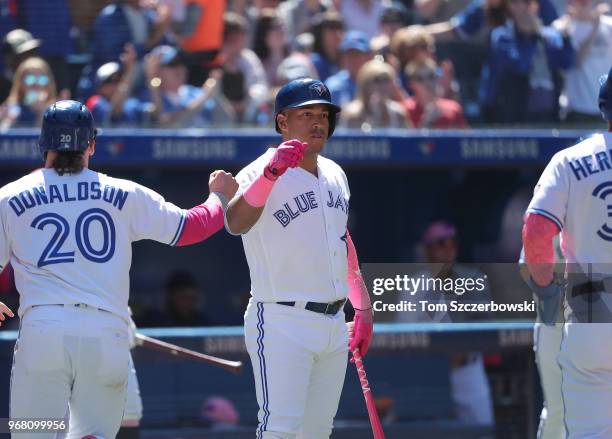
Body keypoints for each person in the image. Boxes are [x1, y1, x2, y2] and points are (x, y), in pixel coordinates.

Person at [0, 100, 238, 438]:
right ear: (92, 145)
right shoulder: (123, 192)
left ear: (43, 145)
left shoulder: (10, 196)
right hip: (106, 331)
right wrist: (218, 197)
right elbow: (189, 229)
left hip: (43, 330)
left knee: (33, 432)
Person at [225, 78, 374, 438]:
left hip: (334, 321)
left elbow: (342, 240)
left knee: (317, 432)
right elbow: (235, 222)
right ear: (282, 122)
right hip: (281, 319)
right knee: (279, 430)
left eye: (323, 114)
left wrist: (363, 307)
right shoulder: (258, 171)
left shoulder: (335, 173)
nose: (317, 122)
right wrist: (271, 174)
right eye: (306, 114)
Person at [522, 66, 612, 438]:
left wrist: (546, 291)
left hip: (592, 306)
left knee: (587, 429)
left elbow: (537, 230)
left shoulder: (571, 159)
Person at [553, 0, 612, 124]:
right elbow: (574, 62)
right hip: (578, 110)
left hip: (607, 110)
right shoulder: (562, 27)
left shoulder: (609, 26)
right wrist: (594, 30)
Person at [342, 59, 410, 129]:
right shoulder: (352, 115)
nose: (383, 85)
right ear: (365, 84)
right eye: (377, 80)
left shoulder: (398, 114)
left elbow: (409, 138)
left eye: (386, 79)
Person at [403, 59, 468, 128]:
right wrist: (426, 122)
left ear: (437, 78)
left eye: (430, 76)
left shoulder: (454, 109)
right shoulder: (404, 110)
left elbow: (466, 137)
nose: (427, 82)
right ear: (411, 84)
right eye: (420, 79)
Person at [0, 57, 59, 129]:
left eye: (42, 79)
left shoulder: (57, 111)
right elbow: (4, 136)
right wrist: (8, 121)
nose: (36, 85)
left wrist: (41, 114)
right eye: (30, 79)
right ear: (20, 83)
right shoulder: (8, 108)